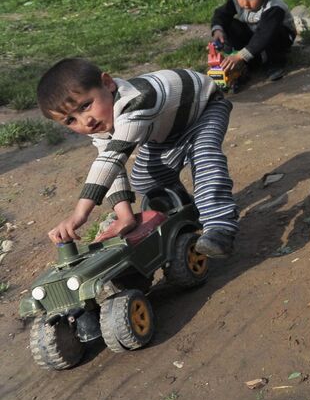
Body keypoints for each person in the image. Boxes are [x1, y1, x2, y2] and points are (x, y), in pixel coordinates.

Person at [38, 58, 238, 257]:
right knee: (145, 178)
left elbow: (111, 161)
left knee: (204, 159)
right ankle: (187, 210)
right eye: (71, 120)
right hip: (167, 128)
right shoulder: (99, 121)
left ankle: (219, 228)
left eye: (85, 106)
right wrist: (125, 216)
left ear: (108, 83)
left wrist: (79, 214)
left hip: (203, 109)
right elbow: (111, 167)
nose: (86, 121)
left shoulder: (137, 101)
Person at [211, 0, 296, 83]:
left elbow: (264, 35)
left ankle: (274, 63)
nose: (245, 3)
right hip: (254, 33)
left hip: (278, 38)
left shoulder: (274, 8)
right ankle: (251, 61)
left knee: (271, 34)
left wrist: (240, 56)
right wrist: (218, 30)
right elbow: (222, 14)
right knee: (229, 24)